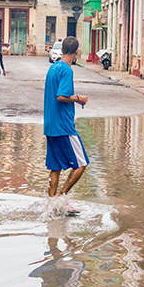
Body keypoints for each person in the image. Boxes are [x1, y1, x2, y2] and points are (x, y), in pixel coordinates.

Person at [43, 35, 89, 213]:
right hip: (64, 126)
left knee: (55, 168)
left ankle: (51, 205)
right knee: (81, 163)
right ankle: (62, 198)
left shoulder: (53, 68)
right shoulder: (67, 70)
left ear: (62, 50)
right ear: (76, 51)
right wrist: (79, 98)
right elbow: (61, 96)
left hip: (50, 125)